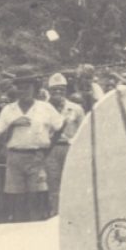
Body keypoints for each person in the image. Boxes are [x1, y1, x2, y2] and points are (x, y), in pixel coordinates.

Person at [0, 68, 64, 222]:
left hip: (37, 157)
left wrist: (49, 147)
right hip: (14, 158)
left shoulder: (45, 108)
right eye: (20, 87)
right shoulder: (8, 109)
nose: (23, 91)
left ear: (35, 88)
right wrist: (12, 125)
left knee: (37, 198)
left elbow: (60, 126)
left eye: (27, 87)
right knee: (16, 200)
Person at [45, 73, 85, 218]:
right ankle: (56, 214)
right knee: (53, 183)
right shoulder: (44, 108)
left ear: (66, 91)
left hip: (70, 148)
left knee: (72, 183)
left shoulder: (76, 108)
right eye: (54, 90)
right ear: (49, 91)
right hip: (51, 149)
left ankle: (74, 214)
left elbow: (82, 131)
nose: (58, 93)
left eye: (61, 90)